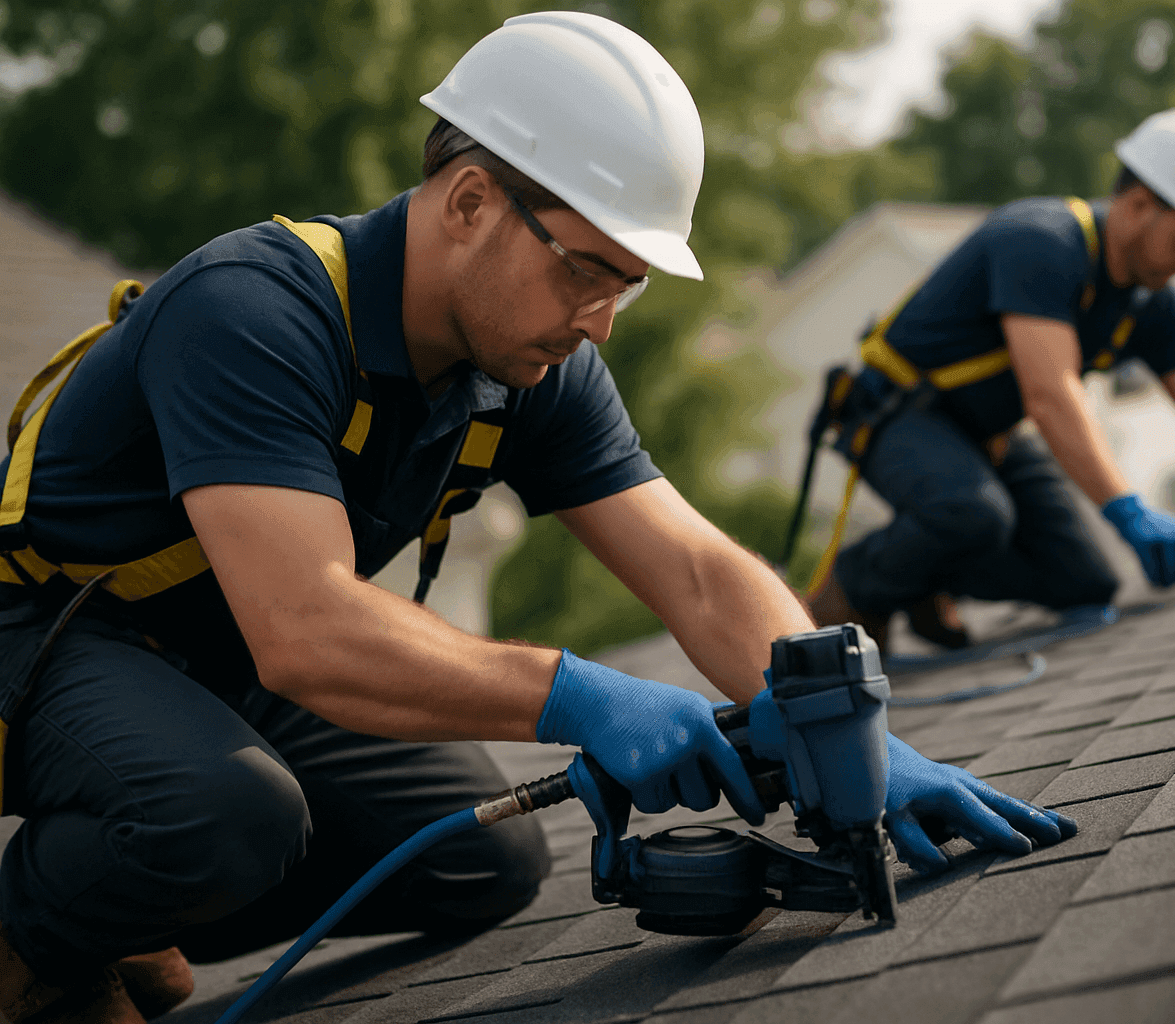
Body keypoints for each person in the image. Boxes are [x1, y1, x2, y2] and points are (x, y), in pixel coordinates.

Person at [0, 14, 1068, 1024]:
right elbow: (307, 629)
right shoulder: (254, 313)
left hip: (201, 663)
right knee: (225, 818)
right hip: (40, 639)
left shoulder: (528, 363)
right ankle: (30, 938)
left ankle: (120, 898)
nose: (601, 318)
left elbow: (693, 565)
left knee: (477, 857)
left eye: (628, 284)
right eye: (588, 269)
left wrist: (840, 716)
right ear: (469, 202)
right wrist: (578, 691)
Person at [808, 106, 1175, 651]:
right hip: (896, 416)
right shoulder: (1041, 243)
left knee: (1085, 583)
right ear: (1139, 205)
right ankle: (852, 590)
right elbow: (1050, 397)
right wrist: (1127, 509)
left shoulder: (1157, 303)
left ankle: (928, 577)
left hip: (985, 437)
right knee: (972, 514)